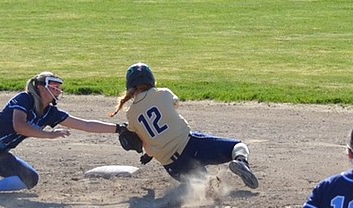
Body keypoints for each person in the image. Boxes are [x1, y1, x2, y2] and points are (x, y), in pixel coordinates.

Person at [108, 62, 258, 188]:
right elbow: (173, 108)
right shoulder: (163, 93)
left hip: (173, 167)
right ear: (151, 80)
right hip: (191, 146)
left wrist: (148, 155)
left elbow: (148, 142)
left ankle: (201, 186)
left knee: (208, 187)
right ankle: (240, 162)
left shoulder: (131, 115)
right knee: (238, 147)